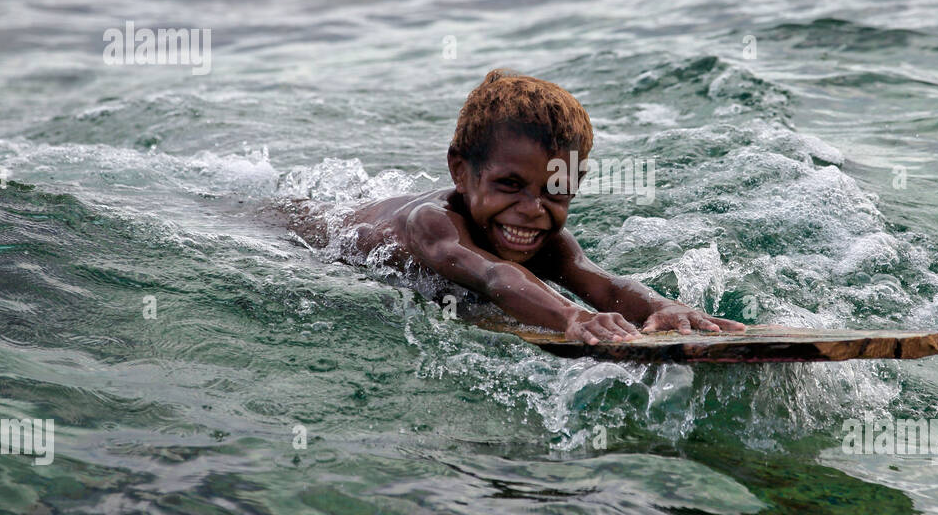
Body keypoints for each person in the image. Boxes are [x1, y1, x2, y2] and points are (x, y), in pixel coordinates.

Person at [289, 69, 744, 344]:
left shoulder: (549, 238)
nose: (532, 209)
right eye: (510, 185)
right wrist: (574, 318)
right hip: (306, 241)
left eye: (554, 190)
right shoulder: (431, 222)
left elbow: (604, 284)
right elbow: (492, 275)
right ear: (461, 171)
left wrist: (660, 307)